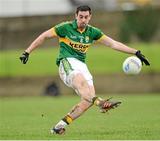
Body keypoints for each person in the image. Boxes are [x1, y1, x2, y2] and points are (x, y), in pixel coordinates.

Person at [19, 5, 150, 135]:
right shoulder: (65, 28)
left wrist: (135, 52)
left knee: (88, 100)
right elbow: (44, 36)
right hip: (66, 62)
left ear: (90, 17)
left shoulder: (93, 32)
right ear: (76, 16)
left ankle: (59, 126)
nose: (83, 20)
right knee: (82, 85)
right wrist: (27, 51)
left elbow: (113, 44)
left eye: (86, 17)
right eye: (80, 17)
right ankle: (101, 102)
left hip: (81, 65)